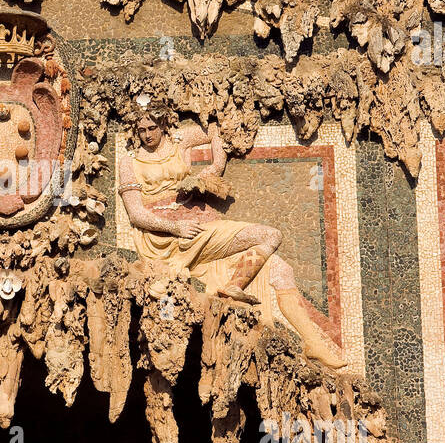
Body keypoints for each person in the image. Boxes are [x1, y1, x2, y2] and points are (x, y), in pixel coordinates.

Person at [116, 104, 346, 369]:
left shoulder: (181, 140)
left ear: (164, 125)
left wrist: (215, 167)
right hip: (166, 240)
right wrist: (176, 228)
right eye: (141, 130)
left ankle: (312, 343)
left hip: (201, 227)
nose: (147, 135)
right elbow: (135, 214)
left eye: (152, 128)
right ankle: (232, 288)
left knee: (279, 267)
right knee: (270, 235)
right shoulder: (129, 162)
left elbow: (216, 129)